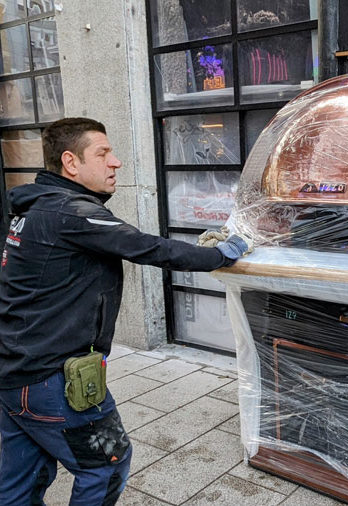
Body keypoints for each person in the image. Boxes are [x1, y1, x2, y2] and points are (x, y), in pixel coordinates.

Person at [0, 117, 249, 505]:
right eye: (103, 153)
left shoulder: (35, 209)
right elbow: (149, 247)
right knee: (105, 464)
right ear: (71, 162)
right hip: (52, 379)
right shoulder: (72, 212)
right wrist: (220, 254)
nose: (115, 162)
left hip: (15, 376)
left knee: (21, 480)